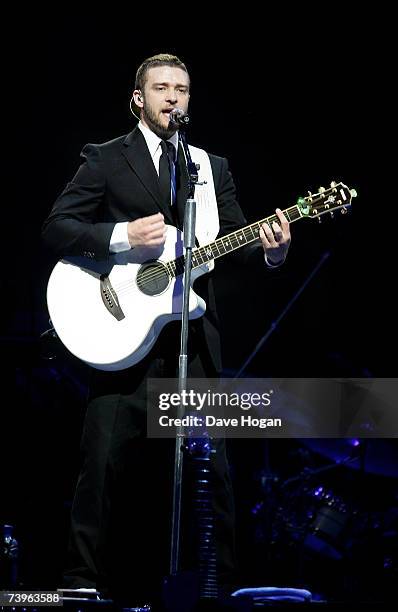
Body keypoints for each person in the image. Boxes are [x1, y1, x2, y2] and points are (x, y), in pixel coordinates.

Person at [41, 53, 291, 605]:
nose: (173, 97)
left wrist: (272, 253)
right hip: (120, 334)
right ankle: (81, 584)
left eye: (181, 88)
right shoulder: (107, 159)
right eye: (161, 88)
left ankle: (215, 590)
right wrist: (124, 236)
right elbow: (57, 228)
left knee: (215, 472)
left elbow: (234, 248)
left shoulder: (210, 166)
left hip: (193, 339)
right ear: (139, 98)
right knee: (102, 463)